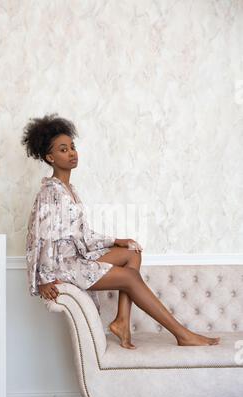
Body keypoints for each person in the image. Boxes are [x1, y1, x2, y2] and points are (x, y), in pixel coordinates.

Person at [22, 113, 220, 349]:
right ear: (49, 157)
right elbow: (41, 237)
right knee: (129, 277)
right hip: (64, 266)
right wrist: (44, 279)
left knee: (132, 253)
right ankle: (182, 334)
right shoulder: (50, 192)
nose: (72, 153)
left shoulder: (69, 190)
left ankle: (122, 321)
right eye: (63, 149)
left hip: (76, 257)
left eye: (73, 147)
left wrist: (118, 240)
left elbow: (83, 235)